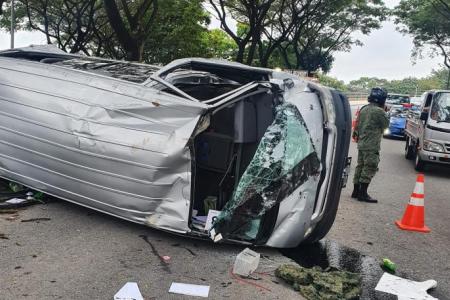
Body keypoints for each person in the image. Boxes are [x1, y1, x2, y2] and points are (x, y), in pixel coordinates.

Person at [351, 87, 389, 203]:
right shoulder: (379, 112)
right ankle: (363, 194)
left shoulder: (364, 109)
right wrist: (386, 111)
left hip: (362, 143)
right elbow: (385, 125)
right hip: (371, 145)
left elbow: (357, 126)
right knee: (370, 166)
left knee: (360, 166)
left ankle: (356, 191)